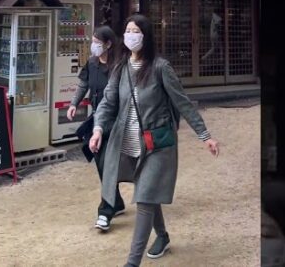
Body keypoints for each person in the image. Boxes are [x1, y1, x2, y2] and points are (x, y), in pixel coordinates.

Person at [89, 14, 220, 266]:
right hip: (130, 141)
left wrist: (205, 136)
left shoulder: (161, 67)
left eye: (135, 31)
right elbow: (108, 102)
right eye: (127, 30)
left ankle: (132, 263)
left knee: (145, 198)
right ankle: (162, 236)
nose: (130, 35)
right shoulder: (120, 67)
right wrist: (97, 129)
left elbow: (182, 102)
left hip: (158, 142)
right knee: (147, 192)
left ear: (145, 36)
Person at [66, 25, 126, 229]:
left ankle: (106, 210)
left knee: (107, 162)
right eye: (92, 42)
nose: (93, 46)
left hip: (117, 120)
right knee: (101, 161)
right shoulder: (92, 63)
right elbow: (83, 85)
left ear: (108, 44)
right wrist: (74, 103)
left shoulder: (119, 67)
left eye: (97, 43)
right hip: (97, 118)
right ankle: (115, 201)